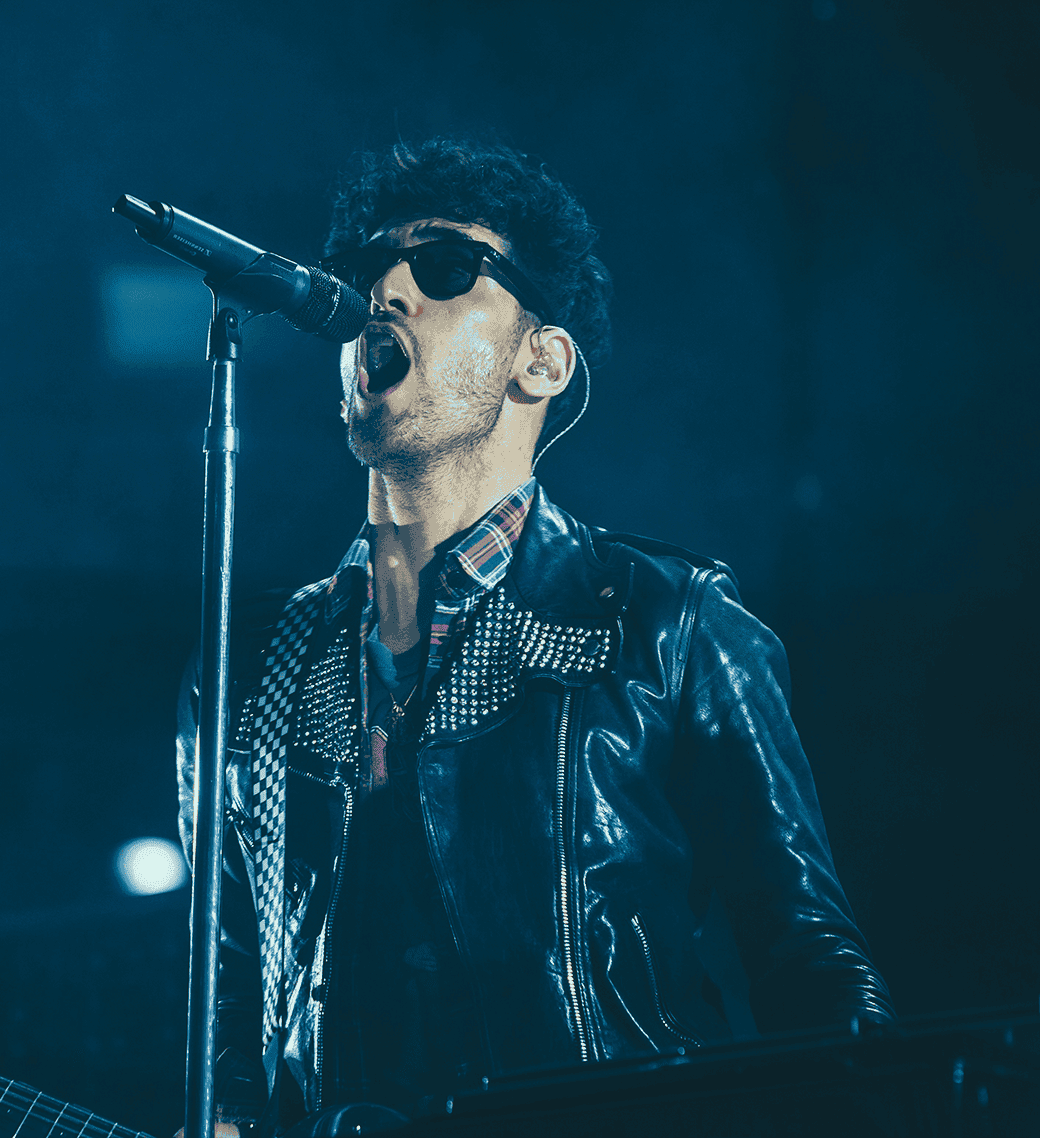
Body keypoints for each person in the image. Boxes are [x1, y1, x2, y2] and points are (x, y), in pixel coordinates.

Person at [176, 137, 894, 1137]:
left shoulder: (665, 618)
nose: (384, 289)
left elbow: (809, 964)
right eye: (368, 267)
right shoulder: (248, 661)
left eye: (444, 267)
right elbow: (226, 993)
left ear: (541, 360)